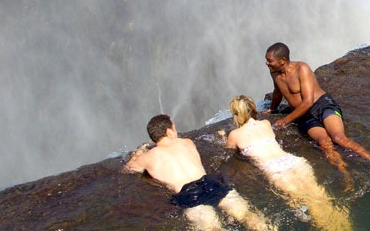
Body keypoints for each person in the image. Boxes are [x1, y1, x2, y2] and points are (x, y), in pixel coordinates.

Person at [220, 95, 352, 231]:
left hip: (275, 170)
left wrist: (223, 136)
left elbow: (229, 149)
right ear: (253, 108)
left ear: (236, 114)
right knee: (321, 197)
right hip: (295, 161)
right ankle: (345, 226)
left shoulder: (234, 135)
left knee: (307, 205)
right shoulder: (265, 123)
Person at [124, 114, 274, 231]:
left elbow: (128, 169)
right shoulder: (187, 142)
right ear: (169, 131)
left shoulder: (148, 157)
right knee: (247, 215)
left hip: (189, 194)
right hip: (211, 182)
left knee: (213, 228)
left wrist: (140, 152)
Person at [265, 42, 370, 189]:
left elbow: (308, 102)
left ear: (282, 60)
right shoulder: (274, 73)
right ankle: (346, 175)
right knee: (324, 143)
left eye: (270, 60)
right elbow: (277, 92)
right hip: (305, 116)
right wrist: (272, 110)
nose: (267, 63)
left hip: (322, 105)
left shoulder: (302, 68)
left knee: (338, 138)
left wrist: (285, 120)